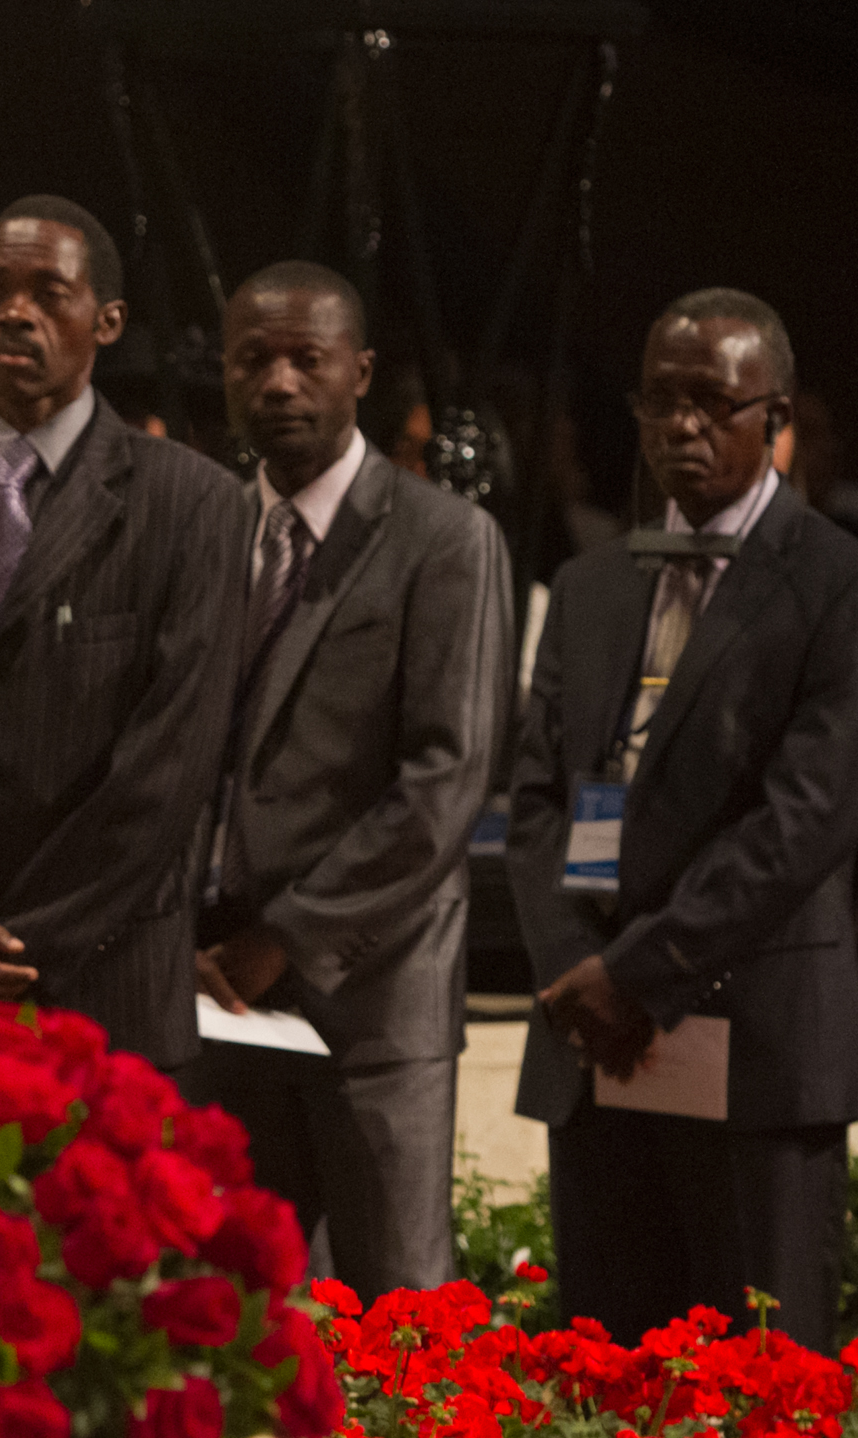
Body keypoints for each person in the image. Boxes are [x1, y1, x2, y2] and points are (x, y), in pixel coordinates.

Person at [506, 288, 858, 1350]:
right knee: (603, 1381)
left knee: (760, 1385)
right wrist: (573, 971)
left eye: (711, 404)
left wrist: (635, 976)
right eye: (659, 401)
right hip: (596, 1045)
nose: (680, 425)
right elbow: (538, 800)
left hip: (754, 1041)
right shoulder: (589, 583)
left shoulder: (849, 587)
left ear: (774, 418)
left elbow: (805, 821)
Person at [182, 262, 513, 1299]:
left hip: (371, 990)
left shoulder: (444, 538)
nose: (278, 382)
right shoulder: (202, 530)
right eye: (253, 359)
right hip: (215, 987)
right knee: (234, 1304)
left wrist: (285, 937)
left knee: (398, 1308)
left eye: (305, 359)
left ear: (360, 372)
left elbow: (444, 782)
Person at [0, 195, 244, 1068]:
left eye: (49, 293)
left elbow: (169, 767)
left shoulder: (192, 501)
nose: (15, 311)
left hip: (104, 974)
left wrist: (14, 946)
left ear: (107, 321)